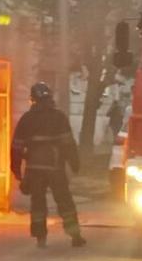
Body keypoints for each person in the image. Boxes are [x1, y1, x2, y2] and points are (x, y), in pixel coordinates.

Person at [11, 82, 87, 248]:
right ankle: (75, 236)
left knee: (38, 203)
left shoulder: (27, 119)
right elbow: (68, 144)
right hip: (55, 168)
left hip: (34, 169)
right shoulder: (58, 117)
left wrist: (16, 169)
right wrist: (75, 164)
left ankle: (40, 238)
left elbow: (16, 146)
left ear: (32, 99)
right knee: (64, 201)